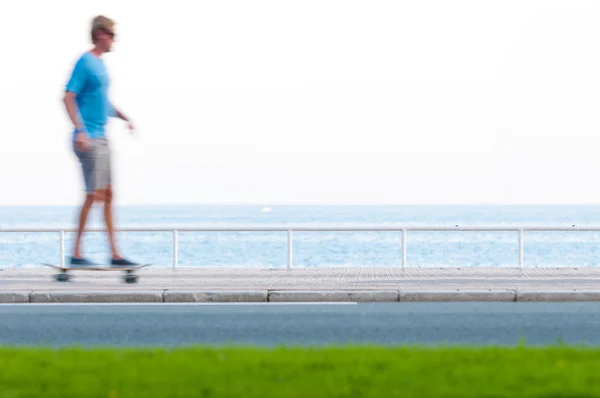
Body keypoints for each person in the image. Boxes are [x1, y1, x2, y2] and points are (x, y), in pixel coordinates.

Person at [63, 15, 137, 267]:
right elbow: (68, 97)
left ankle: (115, 254)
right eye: (111, 35)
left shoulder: (101, 65)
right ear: (100, 34)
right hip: (88, 139)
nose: (114, 40)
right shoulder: (85, 62)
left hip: (102, 137)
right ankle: (76, 253)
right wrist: (80, 130)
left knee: (108, 193)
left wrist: (123, 116)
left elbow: (101, 102)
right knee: (92, 195)